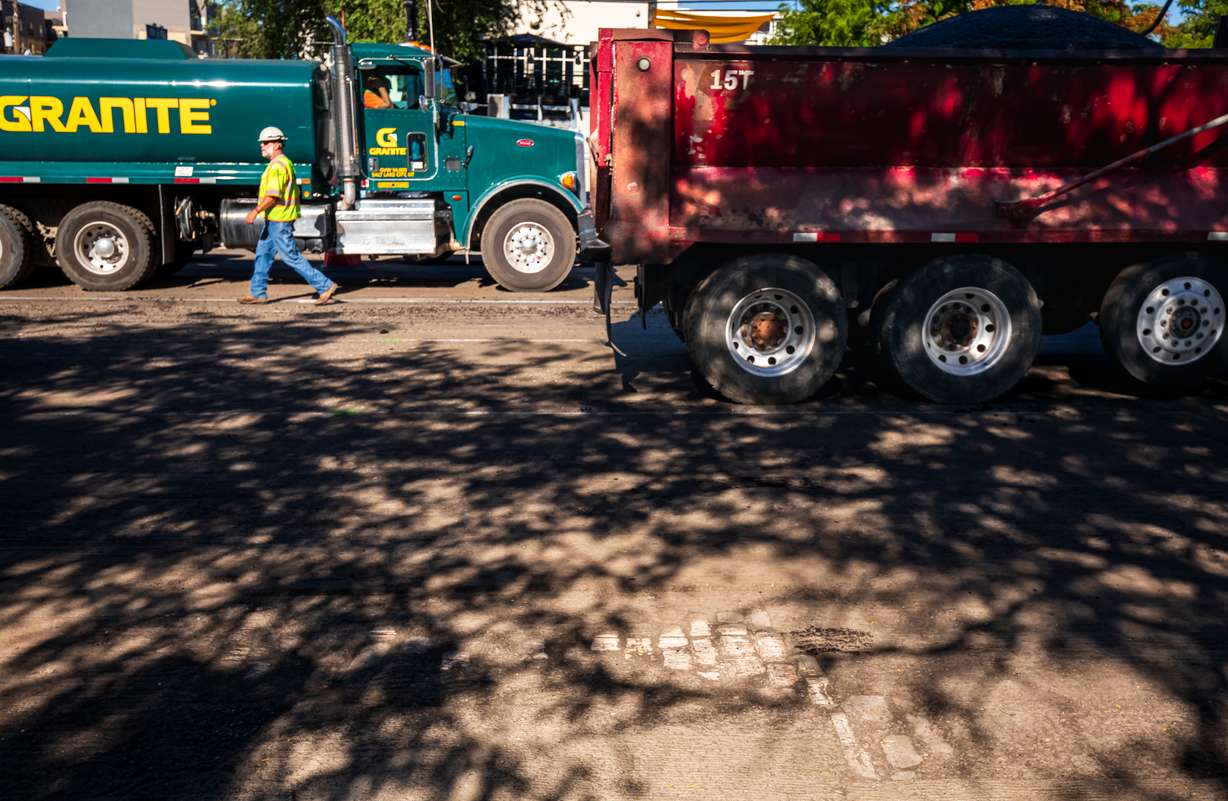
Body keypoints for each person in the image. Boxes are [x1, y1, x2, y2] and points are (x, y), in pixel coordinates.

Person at [239, 127, 339, 305]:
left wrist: (255, 211)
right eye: (262, 143)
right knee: (263, 253)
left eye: (266, 142)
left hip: (280, 219)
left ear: (278, 144)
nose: (262, 146)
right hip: (274, 219)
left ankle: (324, 285)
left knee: (290, 256)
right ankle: (258, 293)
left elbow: (272, 196)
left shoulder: (278, 166)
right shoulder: (282, 162)